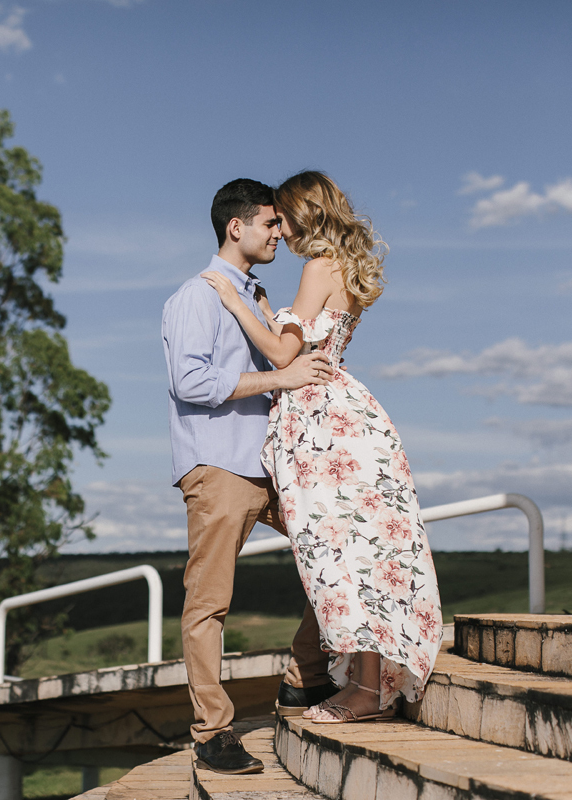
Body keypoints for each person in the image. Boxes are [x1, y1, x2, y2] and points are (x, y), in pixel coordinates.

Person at [202, 171, 442, 724]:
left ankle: (365, 689)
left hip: (322, 421)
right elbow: (308, 336)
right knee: (360, 551)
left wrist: (238, 305)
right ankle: (366, 681)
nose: (278, 231)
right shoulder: (343, 267)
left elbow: (285, 357)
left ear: (301, 212)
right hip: (344, 410)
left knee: (339, 553)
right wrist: (271, 313)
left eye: (281, 216)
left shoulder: (317, 266)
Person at [162, 178, 340, 775]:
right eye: (270, 223)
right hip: (218, 468)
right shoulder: (198, 296)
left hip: (274, 466)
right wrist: (279, 380)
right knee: (209, 603)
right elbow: (190, 382)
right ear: (236, 227)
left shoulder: (258, 295)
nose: (280, 232)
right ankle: (213, 731)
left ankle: (303, 676)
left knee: (336, 551)